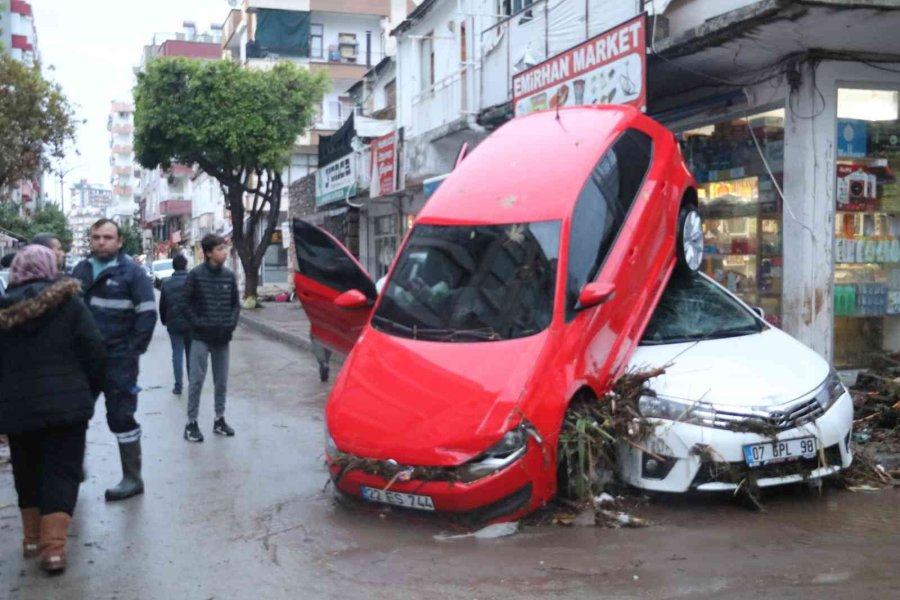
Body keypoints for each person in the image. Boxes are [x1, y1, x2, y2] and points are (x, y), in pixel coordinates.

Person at [0, 245, 106, 572]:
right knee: (62, 471)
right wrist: (87, 394)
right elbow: (95, 353)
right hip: (67, 407)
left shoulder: (3, 310)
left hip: (17, 409)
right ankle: (54, 550)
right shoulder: (70, 305)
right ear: (51, 268)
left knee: (26, 468)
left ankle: (32, 539)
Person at [72, 219, 156, 501]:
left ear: (119, 242)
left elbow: (147, 314)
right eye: (96, 237)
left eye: (107, 237)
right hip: (83, 359)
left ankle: (133, 477)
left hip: (119, 359)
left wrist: (132, 350)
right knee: (75, 413)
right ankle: (73, 468)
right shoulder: (80, 270)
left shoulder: (132, 273)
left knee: (121, 416)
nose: (101, 242)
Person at [182, 234, 240, 442]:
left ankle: (219, 419)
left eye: (224, 248)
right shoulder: (196, 275)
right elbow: (185, 304)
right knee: (196, 380)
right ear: (208, 253)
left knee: (221, 381)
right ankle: (191, 423)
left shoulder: (229, 276)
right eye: (219, 249)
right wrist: (198, 323)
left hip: (222, 337)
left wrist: (230, 324)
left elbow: (235, 304)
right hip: (200, 337)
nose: (224, 252)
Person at [159, 254, 191, 394]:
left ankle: (178, 386)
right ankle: (193, 384)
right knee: (191, 355)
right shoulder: (192, 282)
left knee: (177, 354)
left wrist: (164, 320)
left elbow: (162, 305)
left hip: (173, 324)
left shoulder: (166, 283)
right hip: (191, 324)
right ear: (185, 266)